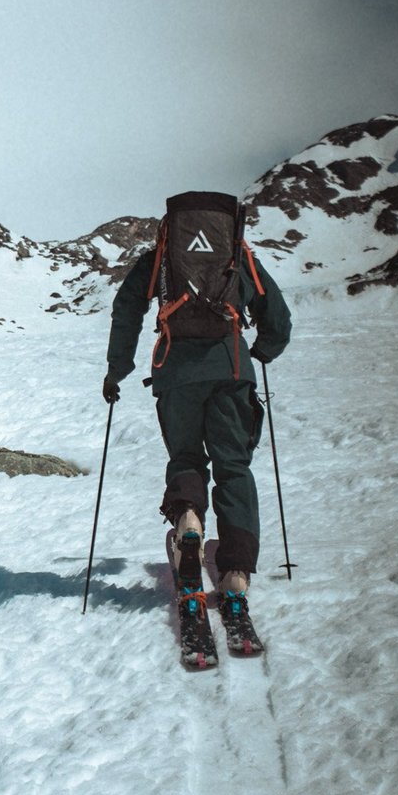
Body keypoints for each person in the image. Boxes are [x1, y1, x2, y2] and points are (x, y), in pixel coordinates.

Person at [103, 190, 290, 655]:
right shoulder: (237, 256)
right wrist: (261, 351)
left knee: (186, 456)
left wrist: (116, 370)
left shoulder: (162, 258)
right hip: (230, 372)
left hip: (175, 375)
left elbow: (127, 308)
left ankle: (188, 519)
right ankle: (236, 573)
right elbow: (278, 317)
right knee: (234, 468)